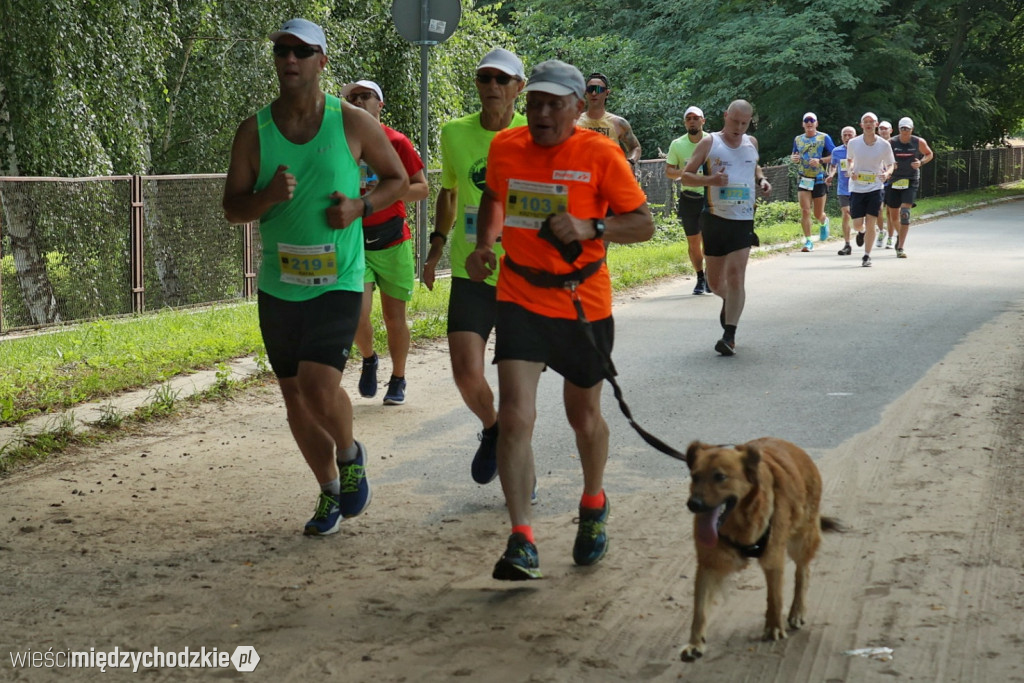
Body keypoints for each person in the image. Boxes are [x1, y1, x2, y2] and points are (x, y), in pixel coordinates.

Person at [465, 60, 654, 581]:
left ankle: (593, 502)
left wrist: (591, 225)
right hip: (521, 296)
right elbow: (493, 196)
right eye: (536, 103)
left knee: (583, 417)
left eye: (555, 104)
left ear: (577, 107)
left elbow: (643, 224)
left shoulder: (600, 152)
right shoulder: (507, 147)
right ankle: (521, 538)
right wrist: (485, 244)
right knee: (516, 417)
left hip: (581, 303)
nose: (543, 113)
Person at [222, 19, 409, 536]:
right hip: (279, 285)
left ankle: (350, 456)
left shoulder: (350, 122)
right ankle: (329, 491)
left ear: (322, 61)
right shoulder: (254, 130)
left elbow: (399, 179)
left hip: (338, 278)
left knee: (317, 383)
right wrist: (266, 198)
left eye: (303, 51)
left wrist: (360, 206)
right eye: (282, 50)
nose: (290, 59)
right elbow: (232, 208)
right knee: (293, 396)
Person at [421, 48, 526, 486]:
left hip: (524, 277)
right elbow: (448, 191)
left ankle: (520, 465)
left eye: (503, 80)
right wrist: (435, 247)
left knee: (519, 392)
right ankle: (493, 428)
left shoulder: (535, 132)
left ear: (519, 87)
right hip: (472, 271)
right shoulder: (454, 133)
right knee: (466, 373)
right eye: (485, 78)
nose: (493, 87)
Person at [341, 79, 429, 406]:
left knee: (395, 319)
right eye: (353, 97)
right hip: (354, 242)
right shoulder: (340, 143)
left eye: (367, 96)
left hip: (392, 239)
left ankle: (399, 377)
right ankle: (368, 359)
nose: (360, 101)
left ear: (380, 105)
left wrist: (388, 189)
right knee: (356, 314)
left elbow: (422, 188)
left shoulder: (397, 142)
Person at [681, 100, 772, 356]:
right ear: (725, 116)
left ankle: (729, 336)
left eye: (745, 123)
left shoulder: (751, 142)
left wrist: (762, 180)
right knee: (716, 283)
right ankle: (728, 301)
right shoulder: (710, 143)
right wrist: (711, 179)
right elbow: (686, 175)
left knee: (736, 276)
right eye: (735, 121)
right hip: (714, 219)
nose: (739, 127)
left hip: (743, 219)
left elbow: (754, 164)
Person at [665, 105, 712, 294]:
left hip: (710, 197)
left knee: (709, 240)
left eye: (696, 117)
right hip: (689, 197)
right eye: (688, 118)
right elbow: (668, 171)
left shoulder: (713, 141)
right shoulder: (677, 144)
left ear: (703, 120)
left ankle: (710, 276)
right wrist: (684, 172)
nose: (692, 121)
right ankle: (700, 278)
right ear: (685, 123)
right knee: (693, 242)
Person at [846, 112, 895, 267]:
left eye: (871, 122)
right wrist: (851, 170)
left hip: (875, 187)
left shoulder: (884, 144)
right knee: (857, 223)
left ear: (876, 124)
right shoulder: (853, 143)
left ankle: (867, 256)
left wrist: (887, 173)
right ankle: (861, 232)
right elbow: (849, 161)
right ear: (861, 125)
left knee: (872, 220)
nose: (868, 124)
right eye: (865, 122)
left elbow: (891, 164)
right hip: (857, 187)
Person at [885, 117, 934, 258]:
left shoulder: (918, 142)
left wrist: (921, 162)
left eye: (907, 128)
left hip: (911, 180)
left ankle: (900, 247)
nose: (905, 131)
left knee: (905, 213)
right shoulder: (891, 142)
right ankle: (900, 237)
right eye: (902, 128)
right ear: (899, 129)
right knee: (894, 216)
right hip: (894, 180)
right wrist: (888, 167)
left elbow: (929, 154)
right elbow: (881, 157)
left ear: (912, 129)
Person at [790, 112, 835, 252]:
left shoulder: (824, 137)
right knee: (805, 211)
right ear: (803, 124)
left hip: (819, 179)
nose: (809, 123)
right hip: (804, 179)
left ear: (816, 123)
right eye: (806, 121)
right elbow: (794, 154)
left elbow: (835, 155)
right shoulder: (798, 139)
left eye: (812, 121)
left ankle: (823, 221)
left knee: (817, 213)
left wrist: (820, 160)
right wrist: (794, 158)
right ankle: (808, 241)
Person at [576, 73, 642, 166]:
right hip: (582, 176)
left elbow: (635, 148)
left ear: (607, 93)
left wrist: (629, 162)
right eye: (590, 89)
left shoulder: (618, 123)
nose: (594, 93)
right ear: (585, 92)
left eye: (598, 89)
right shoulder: (573, 123)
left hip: (610, 177)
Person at [827, 126, 857, 255]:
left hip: (859, 187)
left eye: (850, 135)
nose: (847, 137)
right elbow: (833, 165)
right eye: (844, 135)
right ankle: (847, 244)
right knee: (846, 213)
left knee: (858, 217)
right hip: (843, 188)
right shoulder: (836, 151)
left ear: (855, 136)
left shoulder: (861, 150)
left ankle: (861, 231)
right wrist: (831, 175)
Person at [875, 120, 894, 247]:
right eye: (881, 128)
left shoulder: (895, 144)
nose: (883, 131)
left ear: (891, 130)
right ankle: (882, 231)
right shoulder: (874, 144)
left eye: (885, 128)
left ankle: (891, 238)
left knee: (891, 212)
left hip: (893, 181)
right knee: (878, 209)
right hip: (878, 181)